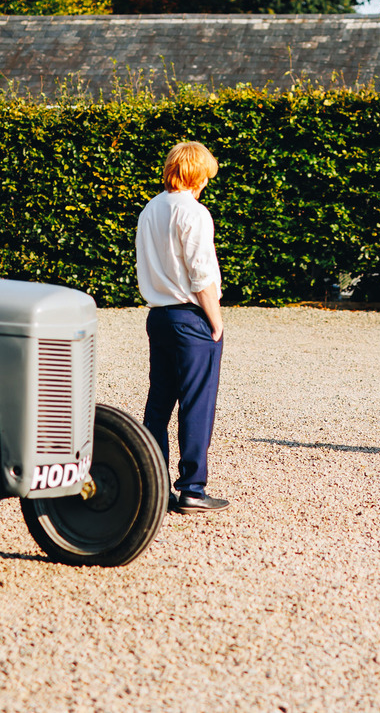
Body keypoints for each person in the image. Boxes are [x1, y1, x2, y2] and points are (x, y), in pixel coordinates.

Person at [137, 141, 229, 514]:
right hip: (190, 319)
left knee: (158, 403)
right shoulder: (194, 212)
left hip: (158, 315)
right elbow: (201, 274)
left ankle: (156, 486)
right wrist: (216, 319)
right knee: (197, 402)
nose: (208, 181)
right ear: (197, 173)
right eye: (206, 174)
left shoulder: (150, 209)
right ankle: (192, 487)